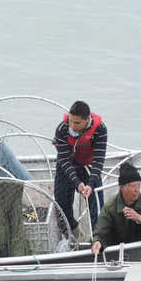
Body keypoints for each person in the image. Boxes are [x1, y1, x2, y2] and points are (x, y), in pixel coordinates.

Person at [53, 100, 108, 238]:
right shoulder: (62, 128)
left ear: (87, 120)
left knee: (96, 204)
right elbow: (64, 160)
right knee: (61, 205)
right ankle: (74, 234)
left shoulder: (100, 129)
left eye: (76, 123)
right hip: (67, 165)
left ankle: (98, 239)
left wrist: (90, 184)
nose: (72, 125)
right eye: (70, 121)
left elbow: (99, 160)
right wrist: (77, 183)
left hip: (88, 166)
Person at [91, 162, 141, 257]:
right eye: (133, 186)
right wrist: (98, 242)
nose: (136, 190)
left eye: (138, 186)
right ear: (122, 187)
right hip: (117, 255)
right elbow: (100, 232)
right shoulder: (110, 207)